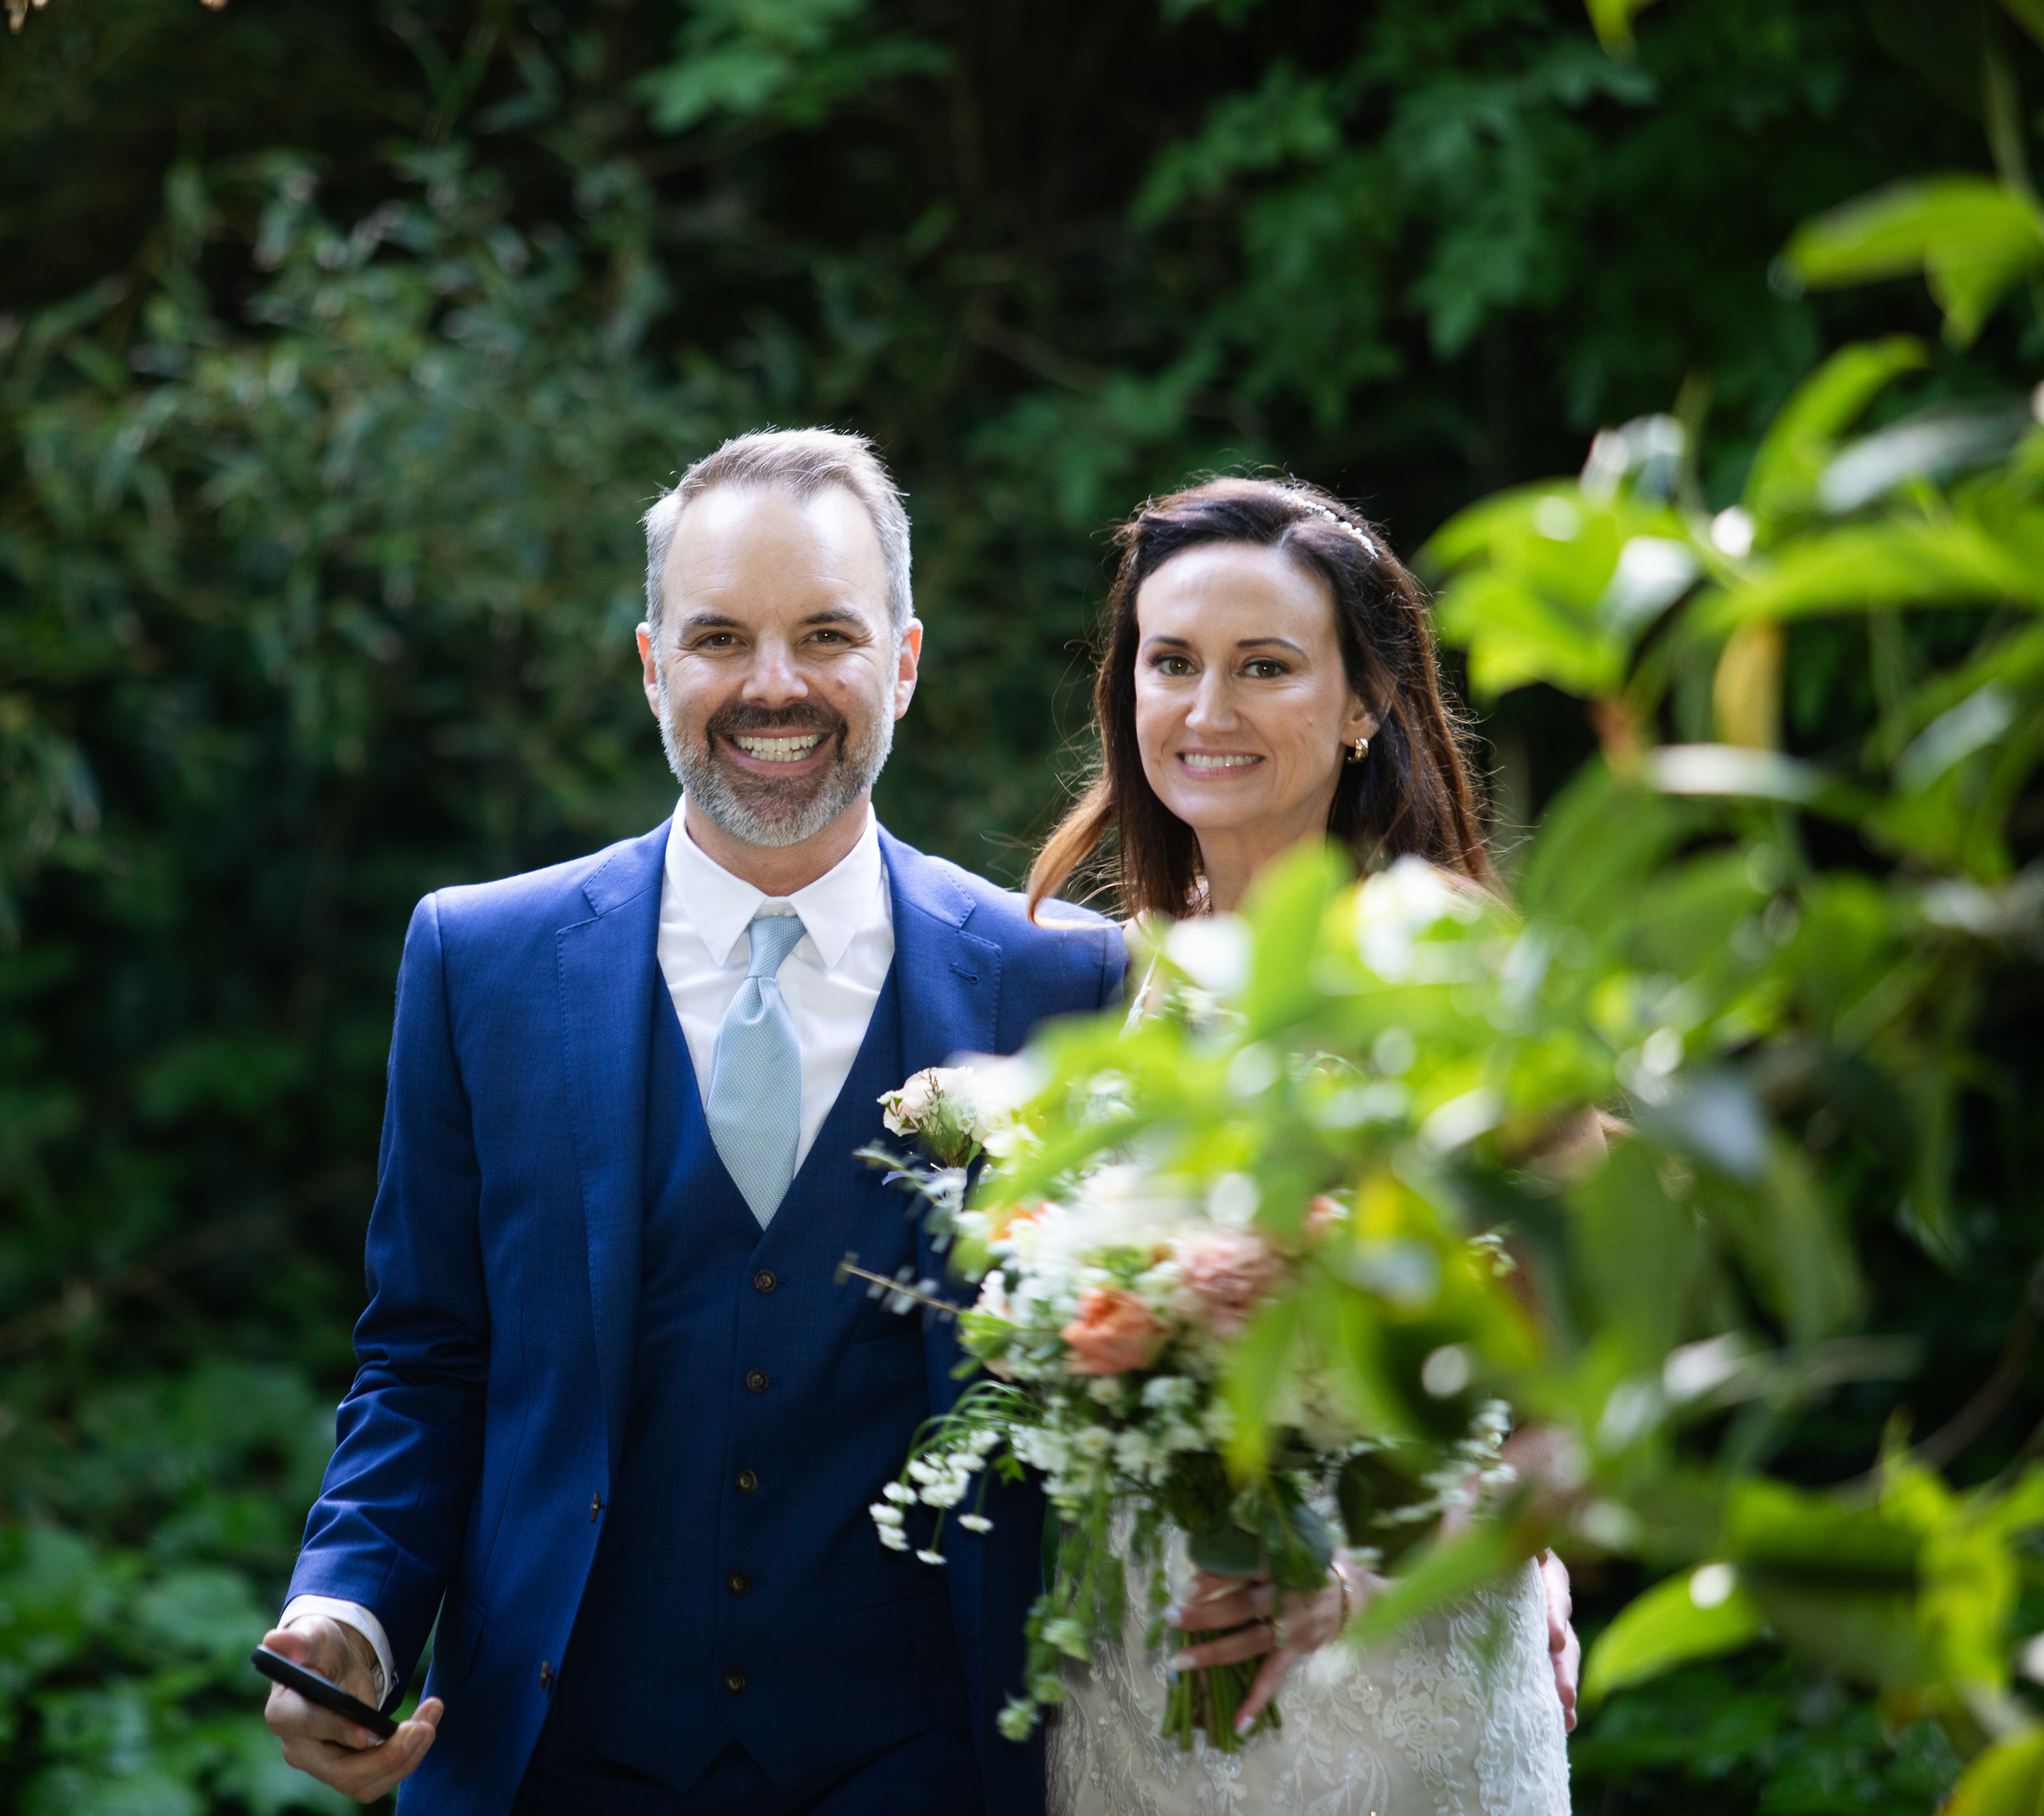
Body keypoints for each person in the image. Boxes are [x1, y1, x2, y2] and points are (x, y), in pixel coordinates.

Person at [260, 429, 1125, 1816]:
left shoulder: (1061, 980)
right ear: (654, 661)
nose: (773, 686)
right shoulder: (480, 958)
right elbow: (426, 1354)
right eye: (721, 636)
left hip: (930, 1766)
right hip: (555, 1763)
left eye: (825, 635)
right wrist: (349, 1609)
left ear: (902, 659)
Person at [1023, 476, 1577, 1815]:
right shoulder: (1094, 972)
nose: (1208, 712)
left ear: (1364, 704)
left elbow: (1590, 1412)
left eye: (1264, 667)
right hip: (1128, 1716)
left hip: (1398, 1714)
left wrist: (1363, 1579)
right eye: (1174, 664)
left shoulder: (1453, 970)